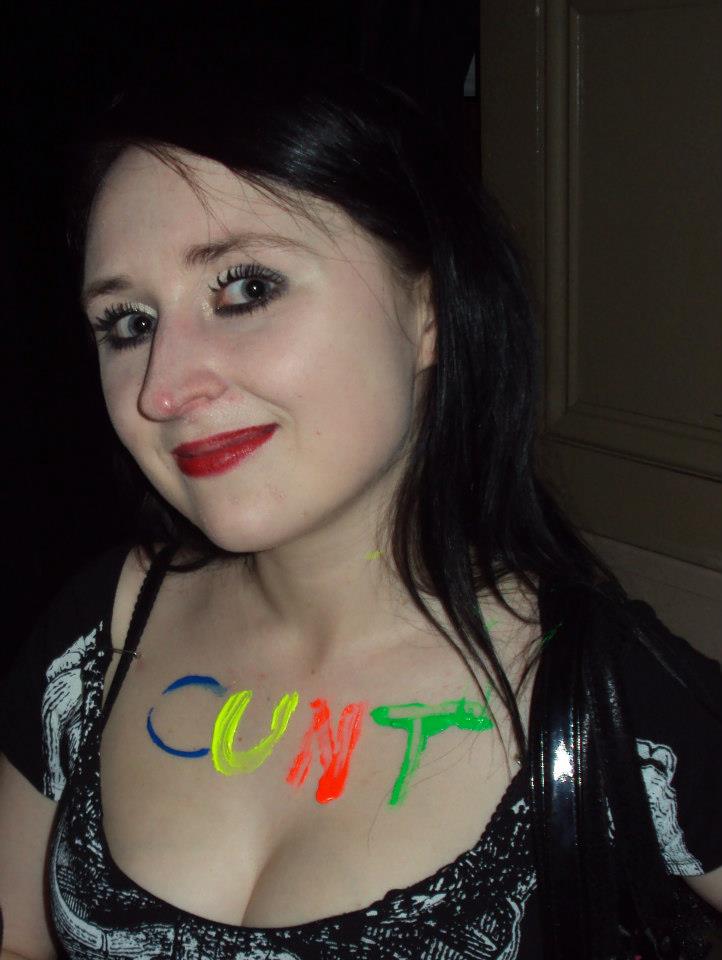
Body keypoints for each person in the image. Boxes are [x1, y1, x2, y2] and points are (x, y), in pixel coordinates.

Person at [0, 62, 720, 960]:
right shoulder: (96, 632)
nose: (164, 389)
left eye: (245, 288)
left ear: (430, 310)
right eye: (129, 323)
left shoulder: (607, 694)